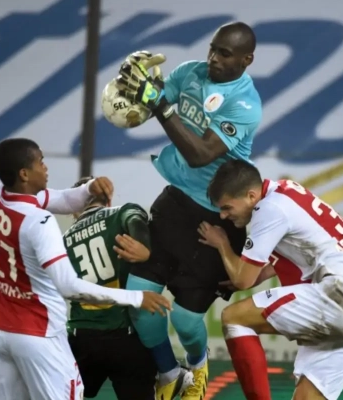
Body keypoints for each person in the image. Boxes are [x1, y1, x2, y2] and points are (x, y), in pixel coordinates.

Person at [116, 21, 263, 399]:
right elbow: (149, 106)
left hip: (218, 218)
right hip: (174, 203)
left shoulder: (245, 104)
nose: (213, 58)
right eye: (212, 48)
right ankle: (170, 374)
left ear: (247, 60)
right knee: (140, 301)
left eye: (224, 54)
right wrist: (129, 91)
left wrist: (158, 103)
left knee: (183, 320)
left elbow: (200, 155)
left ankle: (197, 365)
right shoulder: (189, 73)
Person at [0, 138, 171, 400]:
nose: (46, 167)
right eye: (40, 162)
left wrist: (89, 188)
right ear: (24, 174)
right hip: (37, 333)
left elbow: (61, 199)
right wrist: (136, 297)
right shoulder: (39, 222)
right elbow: (69, 287)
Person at [198, 159, 343, 400]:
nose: (223, 215)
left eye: (227, 207)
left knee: (235, 318)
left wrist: (222, 244)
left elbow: (242, 280)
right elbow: (302, 250)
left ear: (251, 196)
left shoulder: (269, 209)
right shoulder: (288, 191)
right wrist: (257, 272)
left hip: (342, 296)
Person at [64, 176, 158, 400]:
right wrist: (144, 247)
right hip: (124, 335)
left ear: (74, 208)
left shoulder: (63, 240)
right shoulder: (120, 212)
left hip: (81, 337)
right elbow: (135, 219)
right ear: (108, 199)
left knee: (62, 394)